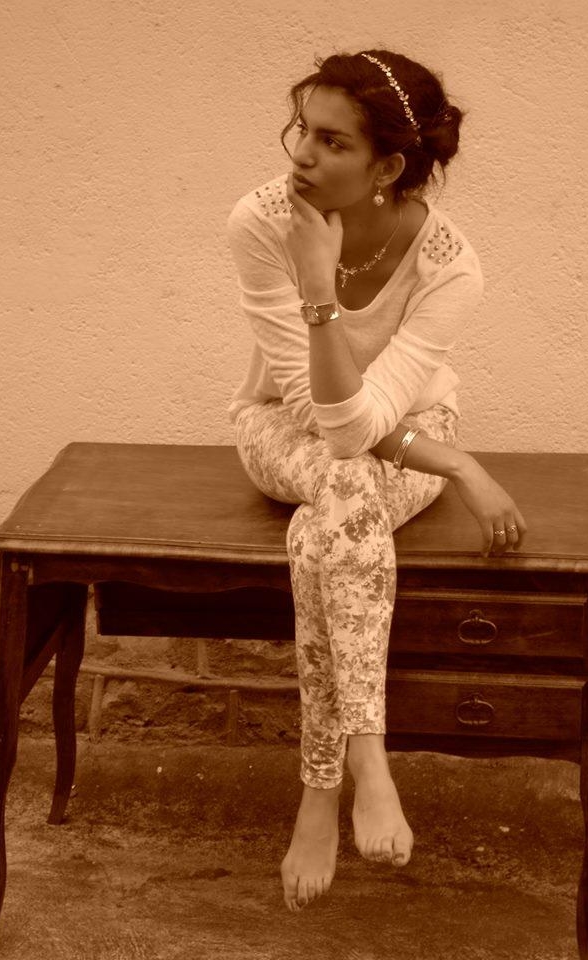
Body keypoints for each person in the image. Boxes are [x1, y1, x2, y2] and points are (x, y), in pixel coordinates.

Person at [225, 49, 527, 913]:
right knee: (343, 478)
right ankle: (368, 756)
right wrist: (317, 288)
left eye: (333, 142)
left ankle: (322, 787)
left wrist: (442, 450)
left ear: (388, 167)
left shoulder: (450, 266)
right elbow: (321, 418)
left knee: (338, 506)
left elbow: (360, 428)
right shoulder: (259, 222)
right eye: (301, 130)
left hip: (408, 436)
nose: (302, 156)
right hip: (280, 429)